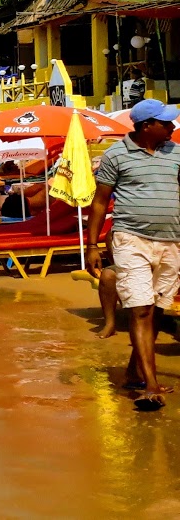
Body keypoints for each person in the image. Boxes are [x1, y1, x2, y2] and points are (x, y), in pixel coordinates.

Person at [87, 98, 180, 411]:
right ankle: (150, 385)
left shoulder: (176, 152)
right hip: (131, 239)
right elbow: (99, 202)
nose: (171, 126)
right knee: (140, 309)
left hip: (172, 241)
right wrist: (92, 245)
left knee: (157, 310)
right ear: (145, 126)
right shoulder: (116, 155)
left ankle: (133, 371)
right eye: (165, 122)